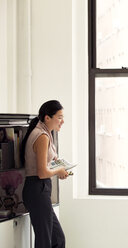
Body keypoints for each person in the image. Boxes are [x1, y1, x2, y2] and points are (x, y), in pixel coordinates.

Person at [21, 100, 69, 248]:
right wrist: (59, 171)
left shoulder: (45, 133)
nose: (62, 121)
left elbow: (46, 163)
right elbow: (42, 173)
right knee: (44, 241)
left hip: (40, 190)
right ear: (47, 118)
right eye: (59, 117)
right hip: (37, 189)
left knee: (58, 239)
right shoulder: (42, 136)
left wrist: (59, 165)